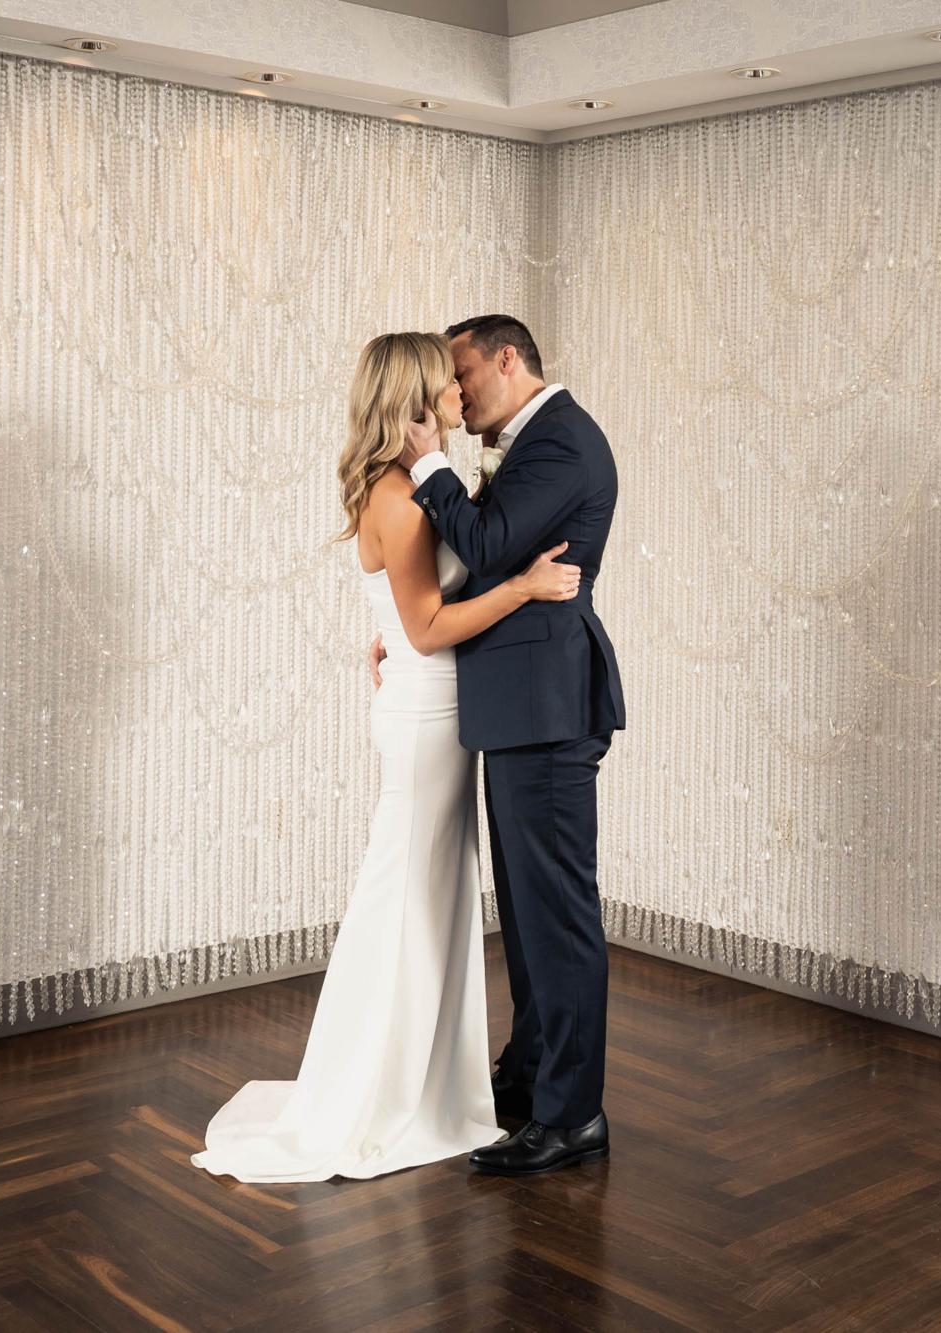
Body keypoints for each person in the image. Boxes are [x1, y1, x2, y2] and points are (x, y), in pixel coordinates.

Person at [191, 332, 581, 1182]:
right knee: (404, 892)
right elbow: (428, 625)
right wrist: (522, 588)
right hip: (426, 714)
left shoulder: (412, 486)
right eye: (446, 384)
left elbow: (425, 600)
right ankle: (380, 1089)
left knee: (432, 897)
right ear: (413, 401)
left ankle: (424, 1078)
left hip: (436, 705)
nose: (459, 394)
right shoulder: (400, 498)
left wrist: (399, 633)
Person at [386, 313, 626, 1176]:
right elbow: (488, 569)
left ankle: (573, 1113)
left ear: (508, 358)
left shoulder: (562, 442)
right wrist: (400, 631)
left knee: (557, 913)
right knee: (525, 912)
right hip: (518, 707)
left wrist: (427, 464)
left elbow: (484, 542)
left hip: (549, 708)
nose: (454, 392)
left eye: (463, 373)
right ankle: (529, 1076)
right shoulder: (526, 445)